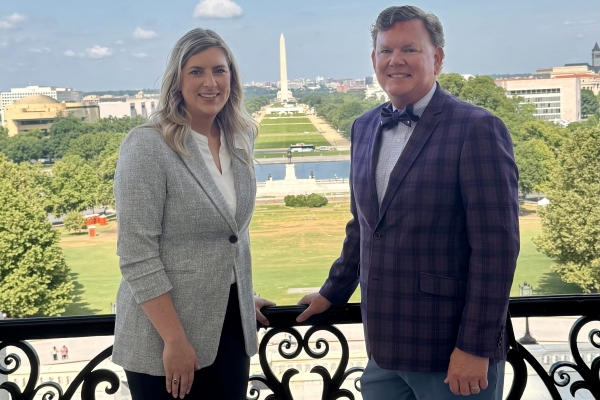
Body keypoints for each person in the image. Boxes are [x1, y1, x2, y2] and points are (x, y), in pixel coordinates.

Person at [296, 6, 519, 400]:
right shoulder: (364, 127)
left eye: (409, 49)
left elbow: (496, 250)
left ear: (437, 57)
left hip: (450, 353)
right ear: (373, 60)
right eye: (386, 51)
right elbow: (363, 227)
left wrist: (474, 347)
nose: (395, 61)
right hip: (384, 350)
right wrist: (332, 292)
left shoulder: (477, 128)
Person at [112, 28, 274, 400]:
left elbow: (234, 234)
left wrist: (240, 292)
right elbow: (137, 256)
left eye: (220, 70)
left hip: (229, 329)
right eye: (196, 71)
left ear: (232, 78)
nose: (210, 82)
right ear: (177, 82)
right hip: (165, 341)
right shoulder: (148, 145)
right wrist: (174, 340)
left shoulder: (240, 137)